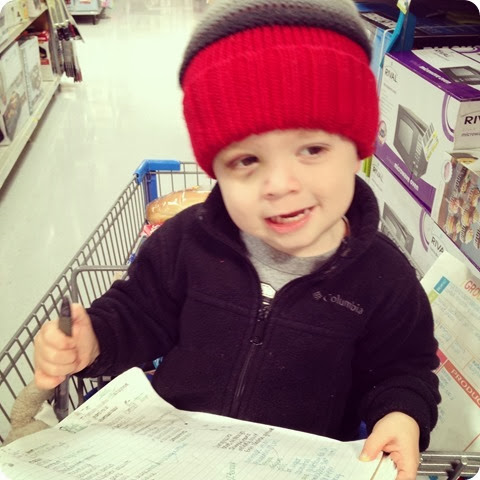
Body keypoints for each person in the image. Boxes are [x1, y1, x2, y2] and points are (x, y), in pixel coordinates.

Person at [34, 1, 441, 479]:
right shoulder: (186, 242)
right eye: (247, 160)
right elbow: (138, 314)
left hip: (295, 467)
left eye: (312, 148)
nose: (280, 184)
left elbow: (403, 369)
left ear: (358, 148)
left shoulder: (384, 278)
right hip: (174, 457)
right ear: (216, 169)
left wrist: (401, 414)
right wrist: (93, 339)